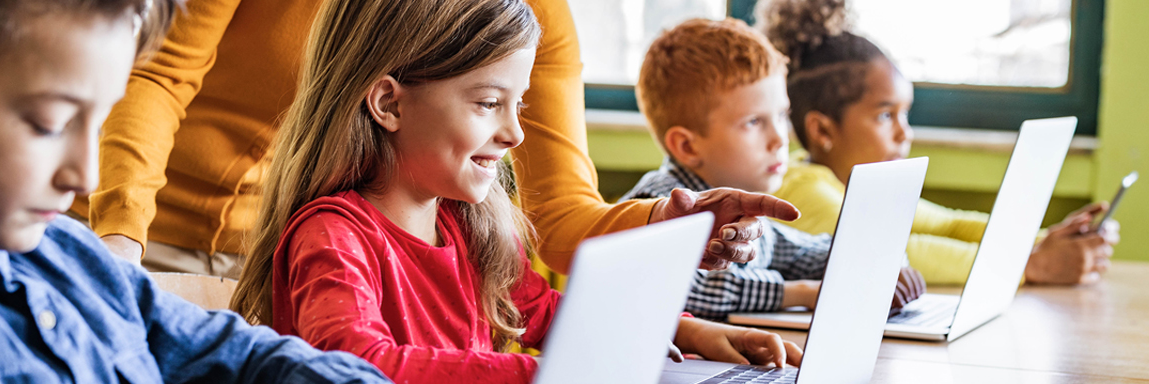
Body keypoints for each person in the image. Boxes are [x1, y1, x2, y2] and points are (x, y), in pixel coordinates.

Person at [230, 0, 804, 382]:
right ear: (389, 103)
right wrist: (553, 373)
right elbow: (360, 364)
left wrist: (687, 330)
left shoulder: (466, 225)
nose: (515, 132)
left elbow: (548, 312)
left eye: (518, 103)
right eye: (487, 103)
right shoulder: (331, 236)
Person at [0, 0, 390, 382]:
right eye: (48, 124)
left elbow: (239, 355)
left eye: (102, 119)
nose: (85, 178)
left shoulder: (69, 253)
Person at [76, 0, 800, 278]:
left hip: (300, 257)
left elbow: (561, 216)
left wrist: (667, 226)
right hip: (150, 241)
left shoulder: (536, 18)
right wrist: (118, 247)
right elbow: (159, 77)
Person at [755, 0, 1120, 285]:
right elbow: (893, 253)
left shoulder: (858, 185)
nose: (905, 133)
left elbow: (947, 226)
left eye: (905, 114)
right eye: (885, 116)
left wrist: (1046, 239)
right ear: (822, 131)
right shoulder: (801, 193)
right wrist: (1031, 264)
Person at [622, 18, 924, 320]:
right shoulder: (655, 204)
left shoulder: (747, 213)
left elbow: (802, 254)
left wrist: (881, 262)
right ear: (687, 147)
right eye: (754, 122)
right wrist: (802, 293)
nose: (780, 138)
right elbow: (689, 287)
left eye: (781, 115)